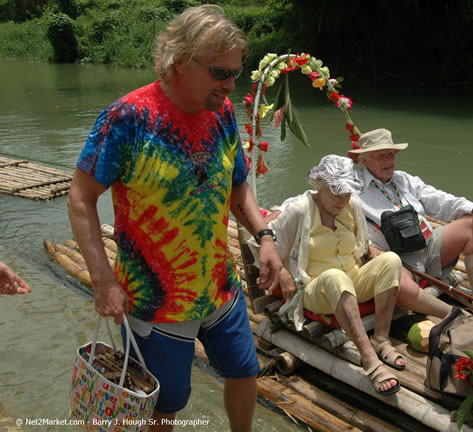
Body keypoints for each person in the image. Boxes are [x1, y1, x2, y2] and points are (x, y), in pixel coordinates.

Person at [67, 5, 282, 432]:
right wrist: (104, 282)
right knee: (166, 406)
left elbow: (238, 185)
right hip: (156, 302)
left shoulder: (220, 112)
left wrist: (266, 236)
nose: (231, 84)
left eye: (236, 73)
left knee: (245, 372)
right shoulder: (128, 119)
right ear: (180, 60)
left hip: (219, 287)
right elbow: (80, 198)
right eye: (221, 73)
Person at [251, 155, 406, 395]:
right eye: (337, 193)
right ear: (319, 186)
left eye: (347, 193)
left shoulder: (351, 206)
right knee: (335, 277)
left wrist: (371, 250)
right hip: (315, 287)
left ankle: (381, 338)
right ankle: (370, 360)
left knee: (391, 260)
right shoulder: (300, 210)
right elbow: (262, 245)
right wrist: (281, 271)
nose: (343, 199)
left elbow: (360, 245)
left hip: (351, 279)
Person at [348, 128, 473, 316]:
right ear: (364, 159)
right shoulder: (351, 186)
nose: (388, 161)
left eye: (391, 155)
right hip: (396, 261)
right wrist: (367, 247)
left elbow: (439, 199)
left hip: (429, 247)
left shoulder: (404, 179)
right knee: (393, 280)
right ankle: (453, 315)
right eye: (380, 156)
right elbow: (326, 210)